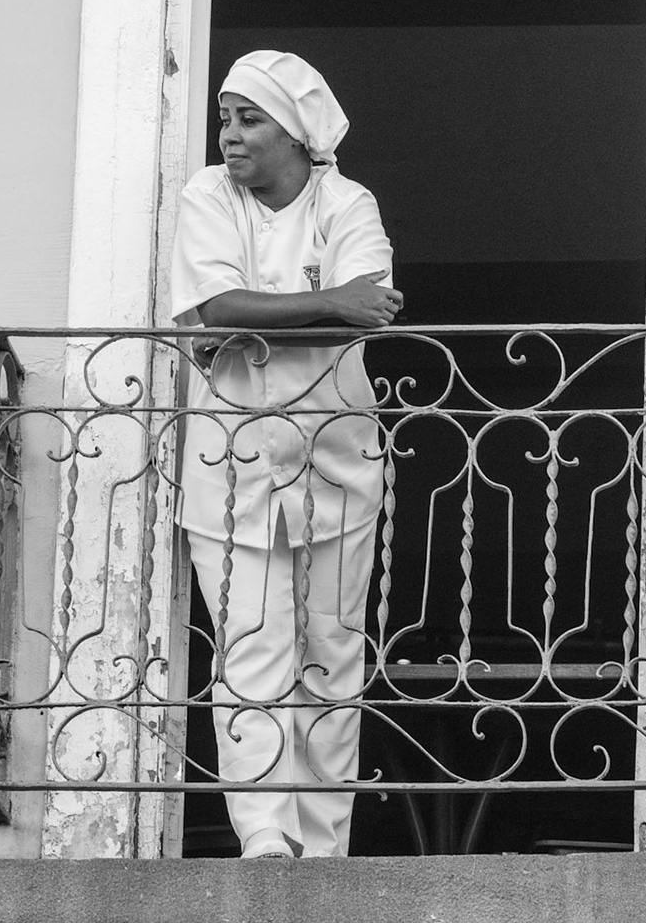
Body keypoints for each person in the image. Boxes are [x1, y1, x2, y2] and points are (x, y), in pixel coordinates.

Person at [171, 50, 403, 859]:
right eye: (225, 118)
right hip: (228, 471)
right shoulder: (208, 195)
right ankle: (266, 837)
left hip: (337, 466)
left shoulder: (348, 203)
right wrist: (327, 300)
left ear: (299, 132)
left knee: (332, 660)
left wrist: (264, 320)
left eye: (250, 119)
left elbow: (362, 317)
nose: (230, 135)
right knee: (252, 652)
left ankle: (324, 848)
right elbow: (214, 305)